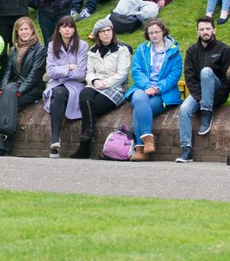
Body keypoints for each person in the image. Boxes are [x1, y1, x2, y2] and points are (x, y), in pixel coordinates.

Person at [175, 16, 230, 162]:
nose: (205, 32)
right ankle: (186, 149)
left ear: (214, 29)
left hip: (216, 91)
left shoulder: (224, 49)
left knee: (206, 71)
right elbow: (189, 78)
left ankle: (207, 113)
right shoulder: (192, 51)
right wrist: (200, 98)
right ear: (197, 31)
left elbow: (228, 79)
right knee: (184, 109)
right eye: (202, 29)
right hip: (199, 94)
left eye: (208, 28)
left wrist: (215, 99)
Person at [72, 18, 131, 158]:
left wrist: (105, 83)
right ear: (98, 35)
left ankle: (84, 145)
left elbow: (122, 74)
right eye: (103, 31)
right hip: (96, 84)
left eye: (108, 30)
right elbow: (89, 72)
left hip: (116, 87)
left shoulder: (122, 50)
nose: (106, 34)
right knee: (85, 94)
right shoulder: (92, 51)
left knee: (92, 107)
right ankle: (88, 135)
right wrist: (95, 80)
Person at [124, 18, 182, 161]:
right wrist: (147, 86)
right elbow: (136, 71)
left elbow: (174, 75)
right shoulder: (142, 49)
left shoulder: (174, 52)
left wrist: (157, 88)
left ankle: (139, 149)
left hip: (162, 92)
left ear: (163, 32)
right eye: (151, 33)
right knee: (139, 98)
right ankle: (148, 139)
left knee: (140, 109)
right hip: (142, 87)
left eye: (157, 32)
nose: (154, 35)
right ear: (147, 35)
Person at [41, 16, 86, 157]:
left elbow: (80, 73)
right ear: (59, 29)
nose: (67, 29)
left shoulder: (82, 45)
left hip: (74, 85)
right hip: (56, 84)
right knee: (58, 93)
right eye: (64, 26)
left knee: (58, 95)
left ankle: (55, 142)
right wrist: (68, 67)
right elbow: (50, 71)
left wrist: (60, 72)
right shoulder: (51, 45)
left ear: (74, 29)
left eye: (70, 26)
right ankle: (55, 140)